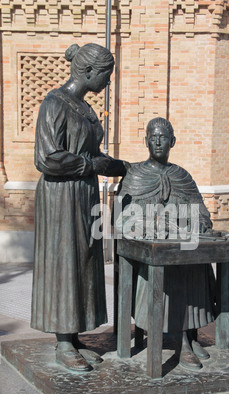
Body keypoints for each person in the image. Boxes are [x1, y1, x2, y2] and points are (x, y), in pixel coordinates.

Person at [31, 43, 129, 372]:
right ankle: (62, 342)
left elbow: (93, 155)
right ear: (88, 72)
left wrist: (116, 165)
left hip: (83, 194)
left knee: (84, 261)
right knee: (64, 262)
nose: (108, 81)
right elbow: (47, 158)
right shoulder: (55, 103)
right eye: (106, 74)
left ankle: (73, 337)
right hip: (60, 198)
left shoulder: (84, 108)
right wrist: (93, 165)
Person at [115, 117, 217, 370]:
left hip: (179, 245)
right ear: (146, 141)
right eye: (153, 136)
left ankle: (190, 333)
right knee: (170, 265)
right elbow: (124, 218)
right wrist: (150, 224)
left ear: (173, 141)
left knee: (193, 258)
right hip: (148, 252)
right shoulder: (135, 174)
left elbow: (202, 213)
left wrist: (196, 223)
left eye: (163, 137)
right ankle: (182, 340)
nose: (158, 141)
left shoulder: (182, 175)